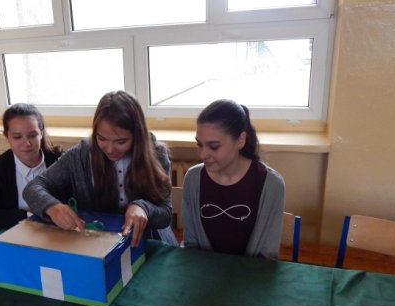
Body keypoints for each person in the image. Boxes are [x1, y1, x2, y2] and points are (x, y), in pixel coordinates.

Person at [23, 90, 176, 248]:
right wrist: (51, 207)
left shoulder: (156, 154)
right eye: (101, 138)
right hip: (98, 244)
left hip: (149, 243)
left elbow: (165, 214)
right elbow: (33, 187)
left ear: (137, 136)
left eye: (121, 142)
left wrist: (144, 208)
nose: (110, 149)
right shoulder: (79, 155)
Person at [182, 99, 285, 258]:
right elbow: (191, 246)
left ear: (240, 140)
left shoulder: (271, 184)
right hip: (203, 271)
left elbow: (267, 257)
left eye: (214, 146)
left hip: (251, 272)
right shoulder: (193, 179)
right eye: (199, 144)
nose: (202, 154)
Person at [0, 103, 62, 231]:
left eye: (32, 135)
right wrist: (26, 216)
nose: (26, 143)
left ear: (41, 133)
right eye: (17, 137)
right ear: (6, 137)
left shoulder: (59, 161)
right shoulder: (1, 168)